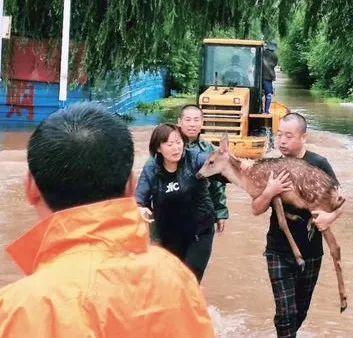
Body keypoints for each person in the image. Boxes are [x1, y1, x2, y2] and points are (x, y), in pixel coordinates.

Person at [0, 103, 214, 338]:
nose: (175, 146)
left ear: (30, 188)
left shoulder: (14, 310)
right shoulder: (176, 280)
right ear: (130, 186)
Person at [251, 112, 344, 338]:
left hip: (311, 252)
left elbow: (340, 200)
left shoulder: (319, 164)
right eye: (279, 135)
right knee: (285, 313)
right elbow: (255, 208)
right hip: (278, 250)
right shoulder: (272, 166)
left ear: (304, 137)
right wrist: (269, 191)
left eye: (288, 136)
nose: (282, 140)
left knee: (299, 313)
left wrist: (330, 217)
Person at [135, 122, 216, 282]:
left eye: (178, 142)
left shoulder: (195, 159)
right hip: (168, 234)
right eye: (169, 144)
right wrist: (140, 209)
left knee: (189, 280)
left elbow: (215, 163)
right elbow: (139, 200)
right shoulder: (151, 168)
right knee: (169, 282)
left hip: (199, 232)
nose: (176, 148)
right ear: (158, 148)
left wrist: (235, 163)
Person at [178, 104, 229, 233]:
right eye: (188, 120)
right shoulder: (169, 146)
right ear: (179, 122)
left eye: (196, 120)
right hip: (174, 213)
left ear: (202, 122)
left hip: (202, 214)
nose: (192, 124)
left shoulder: (209, 150)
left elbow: (217, 185)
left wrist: (220, 212)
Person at [262, 42, 278, 113]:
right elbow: (274, 64)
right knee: (268, 95)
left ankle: (259, 109)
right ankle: (266, 111)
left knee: (259, 94)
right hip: (268, 78)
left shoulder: (261, 52)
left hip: (257, 78)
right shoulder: (274, 56)